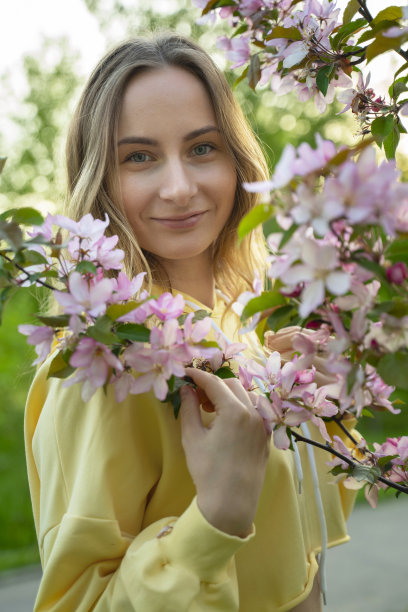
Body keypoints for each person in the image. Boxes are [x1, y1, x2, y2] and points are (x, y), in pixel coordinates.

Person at [24, 34, 357, 611]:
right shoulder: (107, 362)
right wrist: (216, 518)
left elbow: (294, 546)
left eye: (203, 148)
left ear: (237, 159)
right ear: (100, 179)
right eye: (140, 156)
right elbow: (75, 602)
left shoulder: (247, 322)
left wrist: (327, 418)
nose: (180, 188)